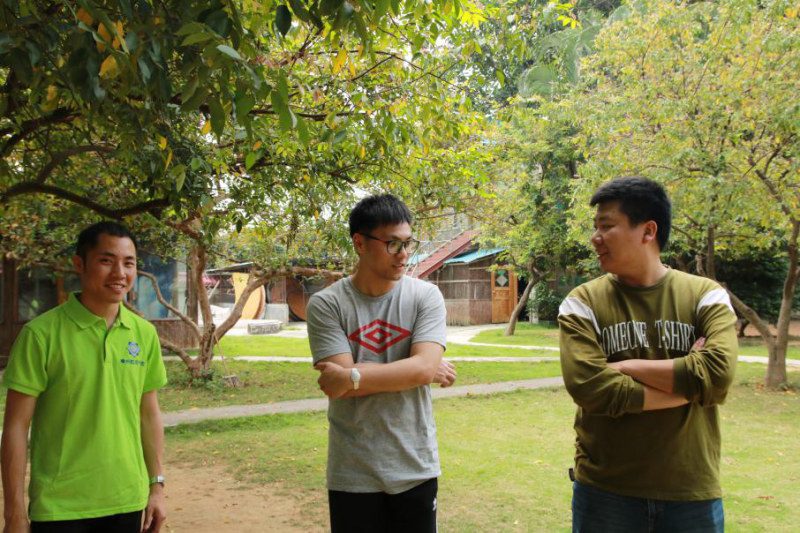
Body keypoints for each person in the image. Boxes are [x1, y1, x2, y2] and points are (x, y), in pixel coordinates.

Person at [558, 177, 737, 532]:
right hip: (605, 492)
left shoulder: (706, 296)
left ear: (648, 231)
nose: (595, 237)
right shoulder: (582, 303)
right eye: (595, 227)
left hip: (690, 491)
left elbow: (718, 375)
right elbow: (591, 388)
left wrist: (625, 366)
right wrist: (691, 388)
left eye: (606, 226)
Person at [1, 221, 168, 533]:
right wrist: (14, 513)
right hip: (59, 508)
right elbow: (16, 426)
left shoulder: (144, 334)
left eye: (128, 263)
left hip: (128, 502)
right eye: (106, 261)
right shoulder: (40, 335)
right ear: (80, 264)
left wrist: (156, 487)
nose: (119, 273)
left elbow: (149, 414)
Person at [306, 194, 457, 533]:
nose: (403, 254)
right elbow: (338, 388)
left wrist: (354, 374)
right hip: (352, 473)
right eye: (392, 244)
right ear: (360, 243)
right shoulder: (327, 305)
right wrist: (416, 370)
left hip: (414, 466)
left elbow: (419, 369)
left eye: (407, 243)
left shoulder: (425, 296)